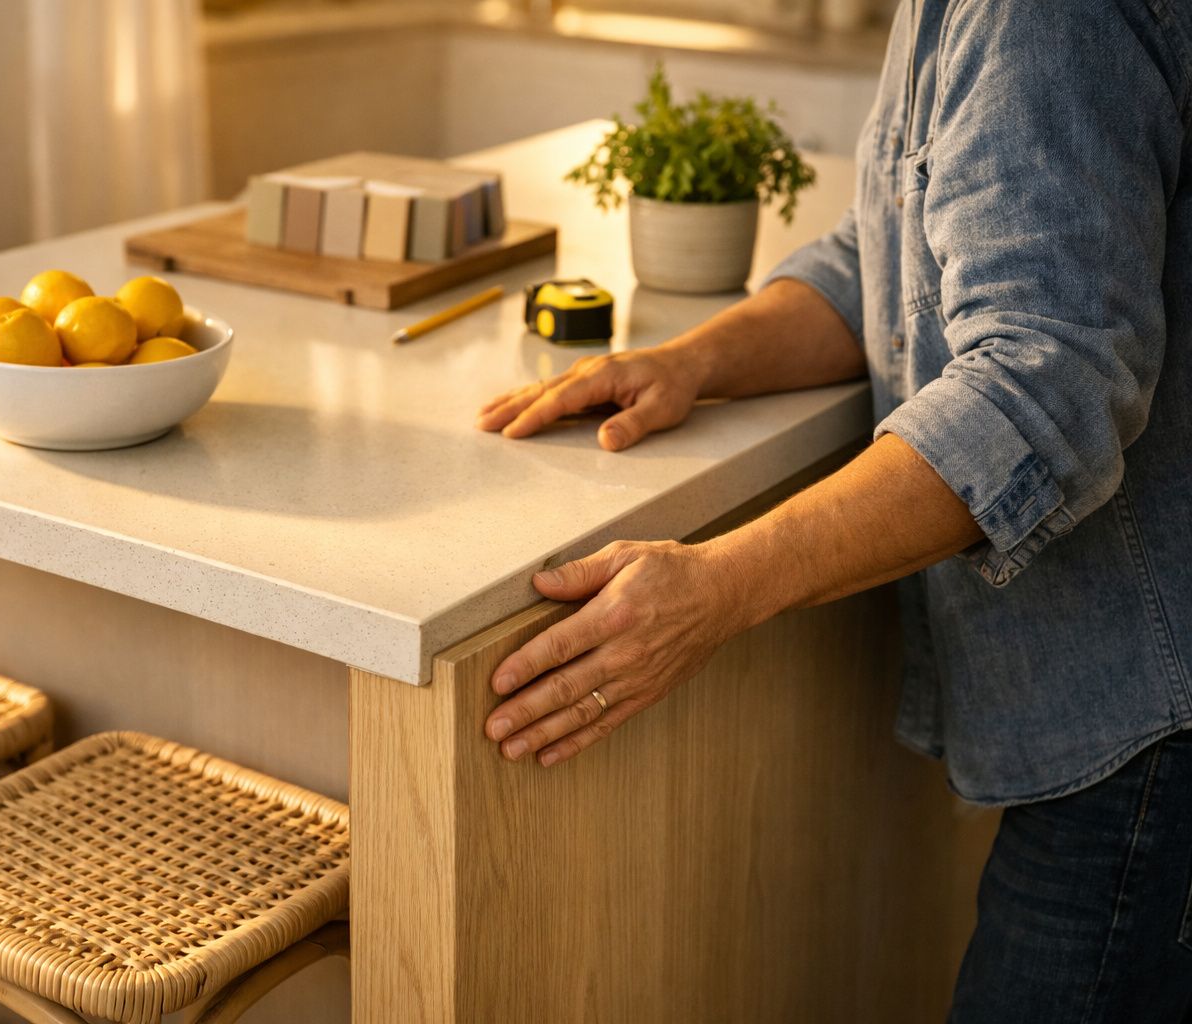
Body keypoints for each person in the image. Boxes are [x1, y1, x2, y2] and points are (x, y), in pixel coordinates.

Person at [475, 1, 1192, 1019]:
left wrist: (723, 584)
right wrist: (693, 362)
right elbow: (891, 247)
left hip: (1151, 720)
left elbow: (1048, 380)